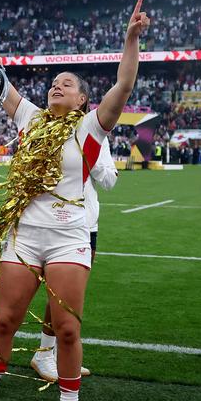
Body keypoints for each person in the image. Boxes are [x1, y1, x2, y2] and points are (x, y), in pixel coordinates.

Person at [0, 0, 149, 401]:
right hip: (24, 237)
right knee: (4, 322)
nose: (56, 87)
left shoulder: (90, 128)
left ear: (84, 100)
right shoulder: (29, 119)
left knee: (66, 327)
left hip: (68, 237)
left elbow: (123, 86)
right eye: (53, 83)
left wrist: (131, 40)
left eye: (67, 84)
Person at [30, 137, 117, 382]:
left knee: (69, 297)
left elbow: (109, 179)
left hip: (87, 226)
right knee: (56, 295)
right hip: (55, 224)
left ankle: (56, 354)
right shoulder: (52, 131)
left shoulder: (99, 137)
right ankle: (45, 353)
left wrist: (92, 154)